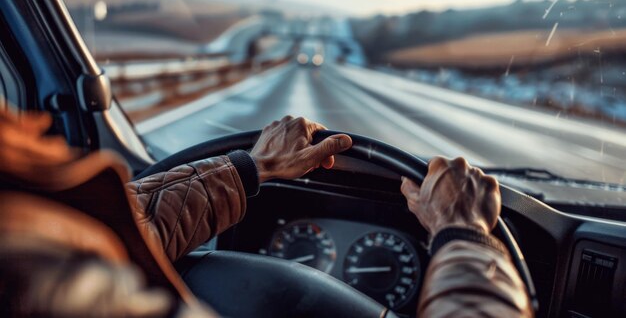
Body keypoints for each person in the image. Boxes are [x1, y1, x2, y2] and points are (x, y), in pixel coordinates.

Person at [0, 106, 532, 317]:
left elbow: (110, 232)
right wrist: (464, 236)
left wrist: (249, 170)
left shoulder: (28, 219)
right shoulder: (33, 271)